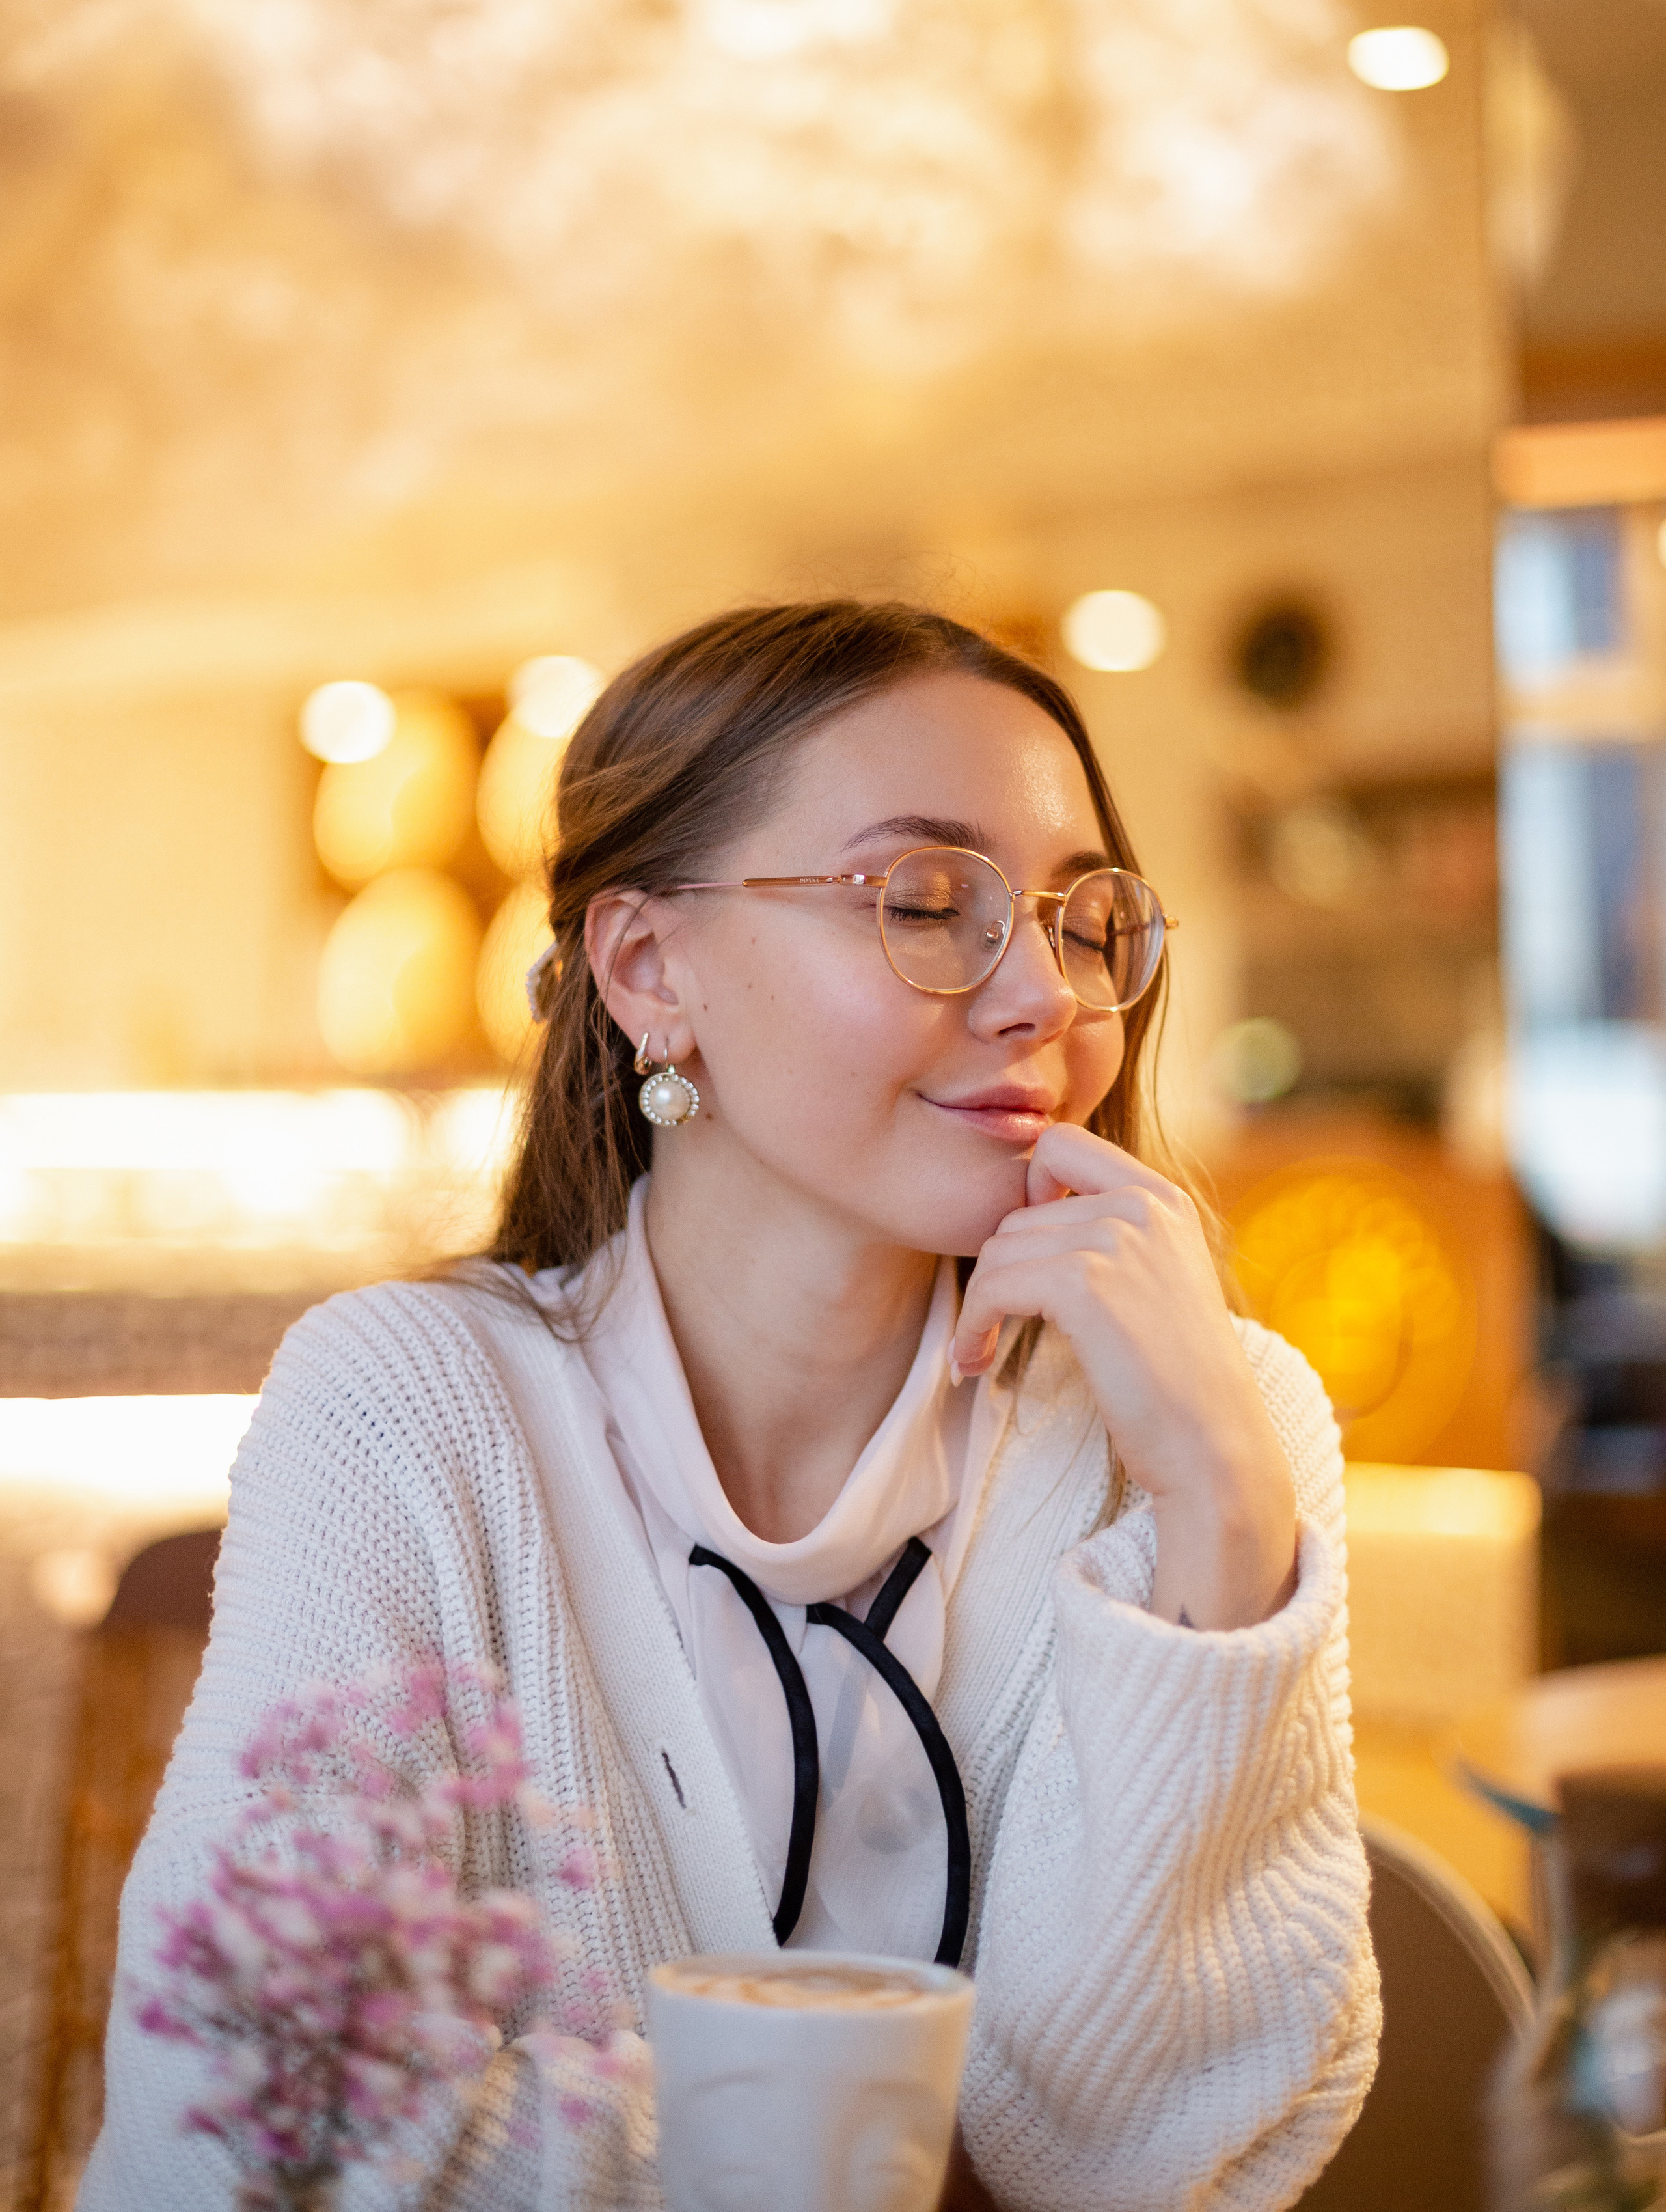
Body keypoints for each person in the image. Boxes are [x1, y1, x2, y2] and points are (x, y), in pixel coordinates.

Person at [84, 600, 1380, 2210]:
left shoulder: (1214, 1424)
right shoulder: (410, 1415)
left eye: (1081, 918)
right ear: (647, 967)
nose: (1042, 994)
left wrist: (1220, 1508)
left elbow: (1170, 2153)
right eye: (922, 900)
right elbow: (250, 2113)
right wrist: (873, 2164)